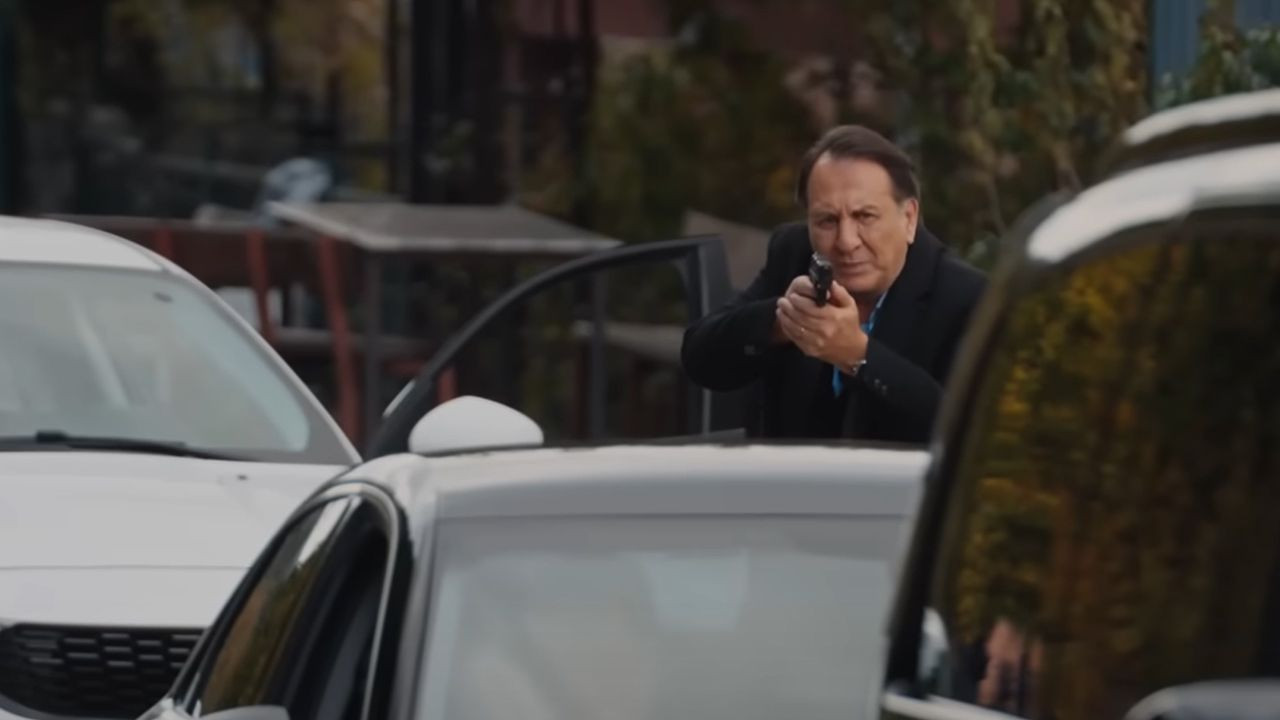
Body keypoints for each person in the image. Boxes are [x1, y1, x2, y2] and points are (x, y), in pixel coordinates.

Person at [681, 125, 986, 443]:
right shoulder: (794, 252)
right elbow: (699, 357)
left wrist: (858, 355)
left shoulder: (966, 298)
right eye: (827, 220)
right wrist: (784, 320)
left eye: (865, 216)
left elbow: (965, 434)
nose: (846, 242)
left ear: (908, 218)